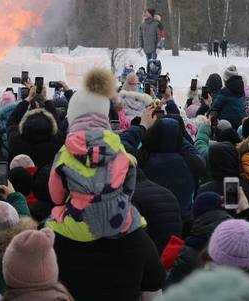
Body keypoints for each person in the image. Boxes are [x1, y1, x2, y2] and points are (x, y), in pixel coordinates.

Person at [46, 68, 165, 300]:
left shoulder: (64, 154)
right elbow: (155, 283)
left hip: (73, 223)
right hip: (118, 220)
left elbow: (56, 194)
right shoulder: (118, 148)